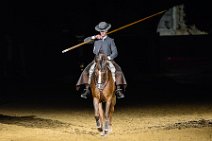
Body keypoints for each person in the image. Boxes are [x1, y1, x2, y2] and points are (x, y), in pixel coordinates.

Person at [76, 21, 127, 99]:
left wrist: (109, 58)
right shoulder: (96, 39)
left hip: (107, 59)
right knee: (86, 71)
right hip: (97, 59)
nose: (102, 32)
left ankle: (119, 89)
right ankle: (86, 89)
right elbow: (85, 41)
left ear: (106, 31)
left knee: (117, 70)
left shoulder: (110, 40)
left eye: (103, 31)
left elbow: (115, 52)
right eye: (100, 31)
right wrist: (94, 37)